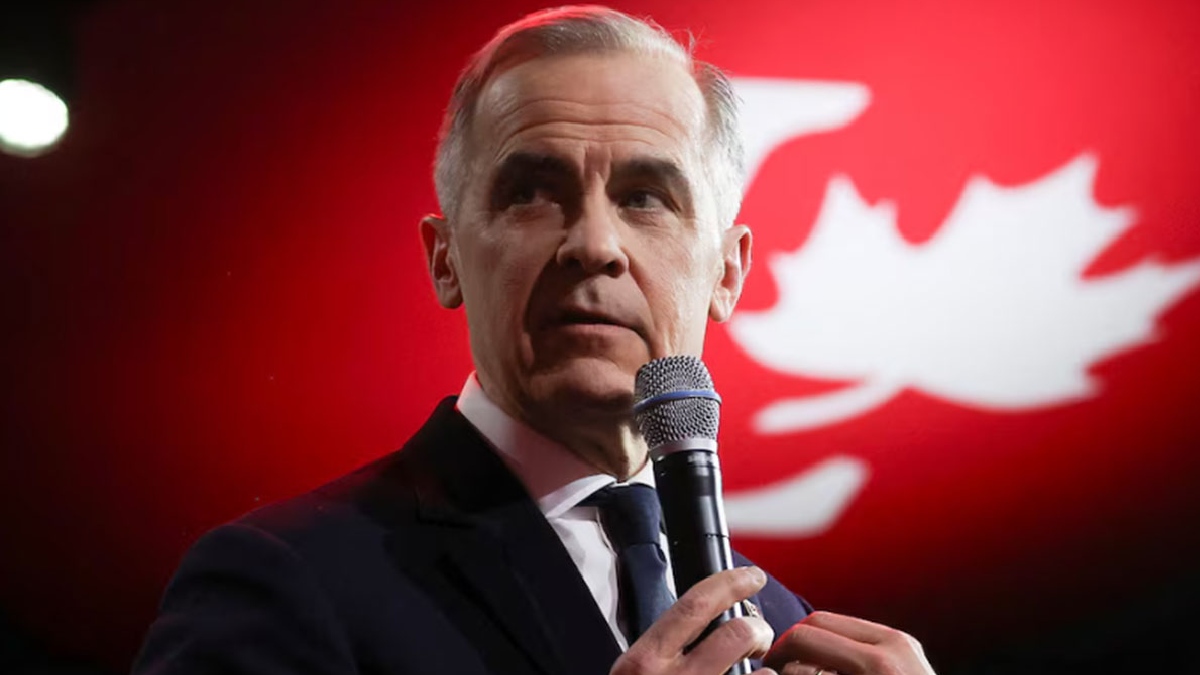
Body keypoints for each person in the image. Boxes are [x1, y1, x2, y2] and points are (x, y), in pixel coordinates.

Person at [134, 6, 937, 675]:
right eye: (531, 193)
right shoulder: (285, 578)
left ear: (727, 271)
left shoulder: (785, 631)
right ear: (446, 259)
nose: (594, 244)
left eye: (645, 197)